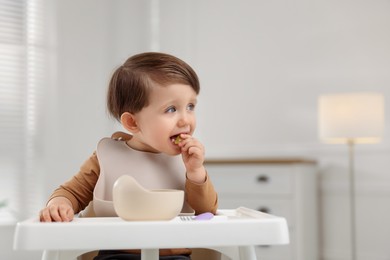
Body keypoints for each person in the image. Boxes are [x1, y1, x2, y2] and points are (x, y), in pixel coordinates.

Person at [39, 52, 218, 260]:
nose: (185, 119)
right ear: (132, 123)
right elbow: (73, 193)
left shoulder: (188, 161)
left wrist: (196, 172)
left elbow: (208, 212)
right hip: (117, 253)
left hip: (173, 256)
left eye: (190, 106)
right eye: (171, 109)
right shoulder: (108, 156)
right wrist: (59, 204)